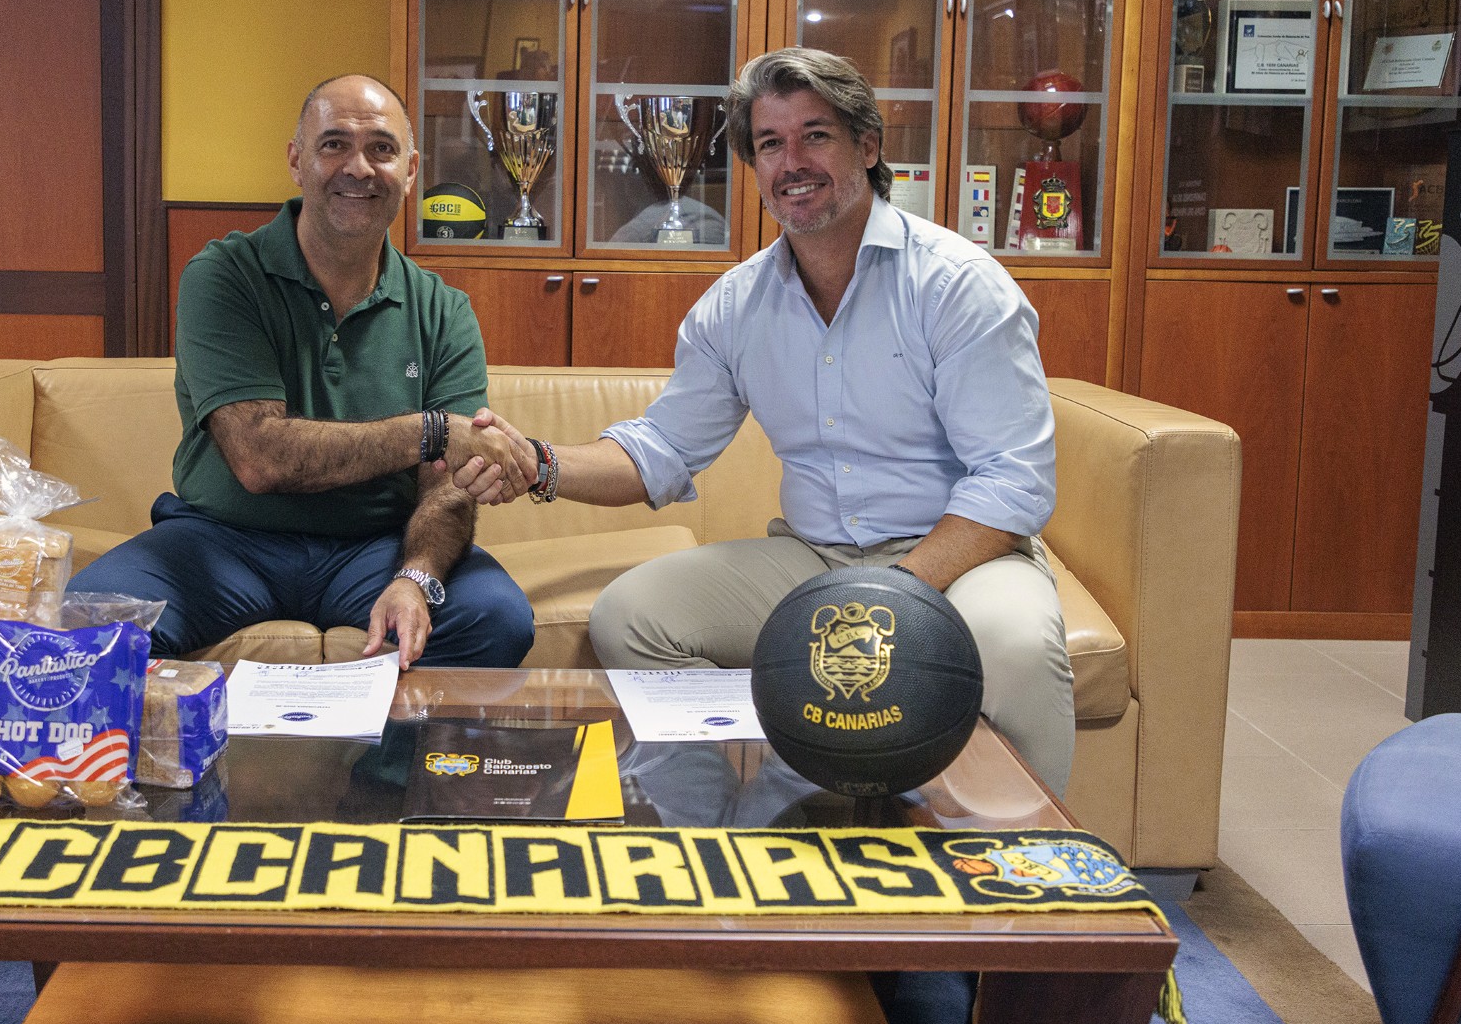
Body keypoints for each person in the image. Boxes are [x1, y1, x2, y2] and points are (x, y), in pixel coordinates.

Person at [448, 47, 1073, 791]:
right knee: (633, 617)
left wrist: (887, 596)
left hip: (961, 559)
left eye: (816, 135)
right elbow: (663, 449)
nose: (792, 162)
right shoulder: (737, 305)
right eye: (771, 144)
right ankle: (734, 804)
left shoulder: (956, 284)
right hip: (815, 558)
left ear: (868, 148)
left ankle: (1017, 852)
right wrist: (538, 464)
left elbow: (1011, 481)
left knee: (1016, 645)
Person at [71, 74, 534, 668]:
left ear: (411, 171)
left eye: (382, 149)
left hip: (378, 549)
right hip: (223, 542)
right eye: (334, 144)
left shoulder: (443, 310)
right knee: (81, 625)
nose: (359, 168)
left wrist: (416, 577)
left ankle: (381, 738)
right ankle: (199, 734)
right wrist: (433, 431)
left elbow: (448, 484)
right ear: (296, 160)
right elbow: (259, 457)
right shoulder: (225, 276)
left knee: (496, 620)